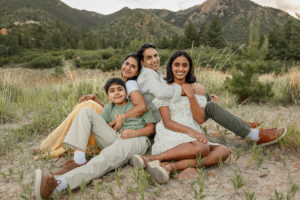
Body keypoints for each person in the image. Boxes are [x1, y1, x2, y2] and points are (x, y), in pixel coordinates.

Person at [136, 44, 286, 147]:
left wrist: (201, 96)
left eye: (155, 55)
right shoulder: (148, 76)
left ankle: (242, 125)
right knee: (211, 106)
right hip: (163, 121)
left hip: (172, 111)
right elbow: (164, 93)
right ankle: (254, 135)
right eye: (149, 57)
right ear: (142, 62)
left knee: (207, 97)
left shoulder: (155, 73)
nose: (154, 59)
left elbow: (169, 90)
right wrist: (192, 90)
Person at [34, 78, 155, 200]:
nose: (117, 93)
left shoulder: (137, 105)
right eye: (112, 91)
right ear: (108, 96)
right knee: (86, 111)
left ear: (126, 91)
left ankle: (58, 185)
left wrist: (134, 133)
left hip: (136, 139)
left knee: (106, 156)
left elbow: (151, 128)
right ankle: (79, 159)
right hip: (115, 138)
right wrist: (116, 125)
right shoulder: (109, 108)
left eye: (120, 89)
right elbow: (101, 126)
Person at [130, 51, 230, 184]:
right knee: (202, 149)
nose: (181, 69)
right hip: (172, 131)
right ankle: (152, 158)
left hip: (193, 135)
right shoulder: (165, 89)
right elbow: (167, 121)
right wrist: (192, 132)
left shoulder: (196, 89)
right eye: (176, 65)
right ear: (171, 67)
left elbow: (200, 119)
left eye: (185, 65)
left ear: (189, 68)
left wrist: (191, 95)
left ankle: (169, 167)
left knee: (223, 151)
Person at [36, 53, 147, 159]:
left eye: (133, 66)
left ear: (136, 72)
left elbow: (141, 107)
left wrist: (115, 121)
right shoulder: (122, 82)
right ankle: (52, 144)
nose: (128, 68)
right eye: (126, 63)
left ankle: (50, 145)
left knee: (86, 106)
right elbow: (114, 108)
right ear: (122, 64)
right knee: (86, 105)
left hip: (121, 125)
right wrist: (96, 99)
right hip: (115, 119)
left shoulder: (130, 84)